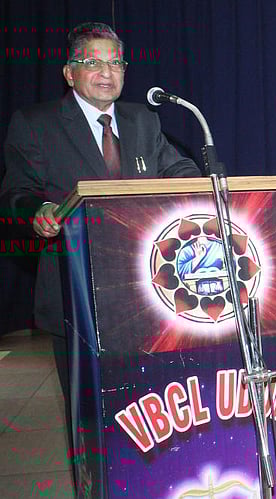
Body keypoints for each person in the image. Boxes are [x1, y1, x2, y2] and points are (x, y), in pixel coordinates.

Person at [0, 21, 200, 457]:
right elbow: (15, 193)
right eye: (93, 62)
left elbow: (177, 166)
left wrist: (197, 186)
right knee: (90, 420)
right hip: (76, 295)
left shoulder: (142, 119)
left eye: (115, 62)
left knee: (148, 411)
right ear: (69, 72)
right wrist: (38, 212)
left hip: (147, 291)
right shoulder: (35, 124)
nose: (106, 72)